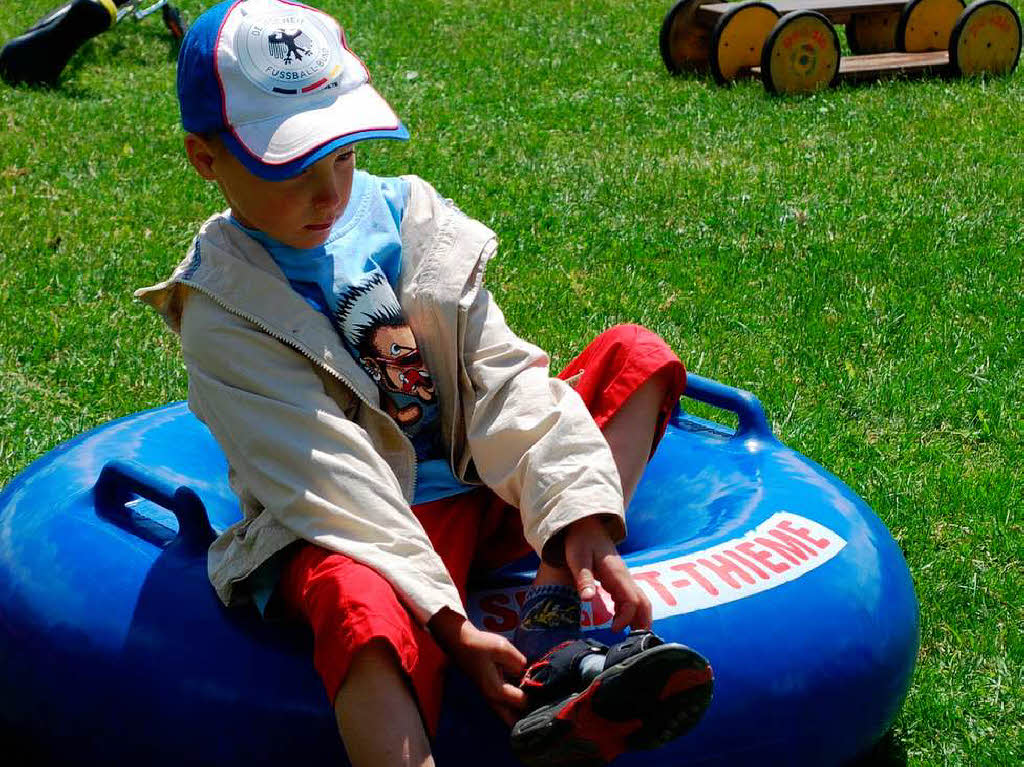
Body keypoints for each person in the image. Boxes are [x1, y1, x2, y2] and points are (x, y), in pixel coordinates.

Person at [136, 1, 713, 765]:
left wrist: (578, 514)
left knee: (632, 357)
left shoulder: (408, 215)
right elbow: (329, 481)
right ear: (205, 159)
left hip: (475, 479)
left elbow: (500, 376)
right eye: (290, 169)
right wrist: (451, 624)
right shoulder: (224, 307)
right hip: (359, 521)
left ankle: (550, 632)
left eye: (341, 155)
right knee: (356, 605)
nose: (329, 194)